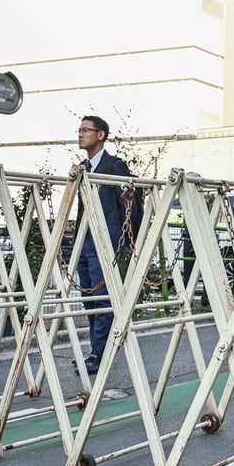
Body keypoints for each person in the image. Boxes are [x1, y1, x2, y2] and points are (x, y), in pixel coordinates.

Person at [75, 115, 138, 375]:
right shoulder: (83, 167)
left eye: (86, 130)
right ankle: (95, 351)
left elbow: (130, 203)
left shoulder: (115, 166)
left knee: (103, 300)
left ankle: (99, 352)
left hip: (106, 239)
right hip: (84, 239)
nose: (80, 134)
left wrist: (122, 240)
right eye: (79, 130)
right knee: (88, 298)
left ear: (100, 135)